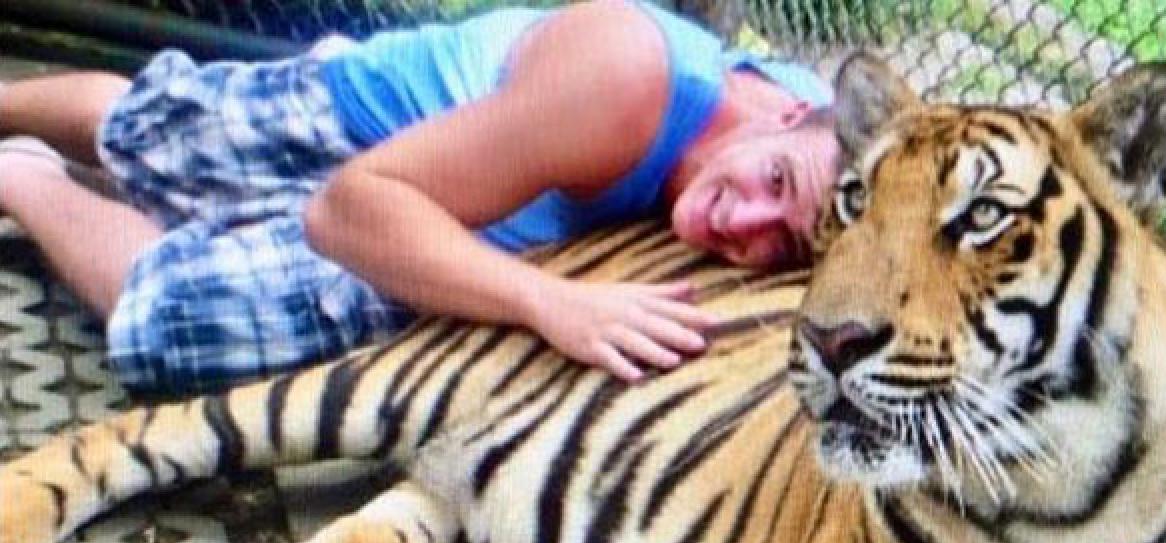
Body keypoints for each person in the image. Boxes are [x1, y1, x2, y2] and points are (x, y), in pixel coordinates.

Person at [0, 0, 840, 394]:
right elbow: (346, 212)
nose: (746, 223)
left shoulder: (838, 147)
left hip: (457, 211)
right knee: (149, 134)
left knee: (167, 323)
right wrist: (550, 304)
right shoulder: (630, 78)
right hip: (366, 121)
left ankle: (22, 178)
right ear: (790, 111)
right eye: (776, 182)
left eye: (787, 241)